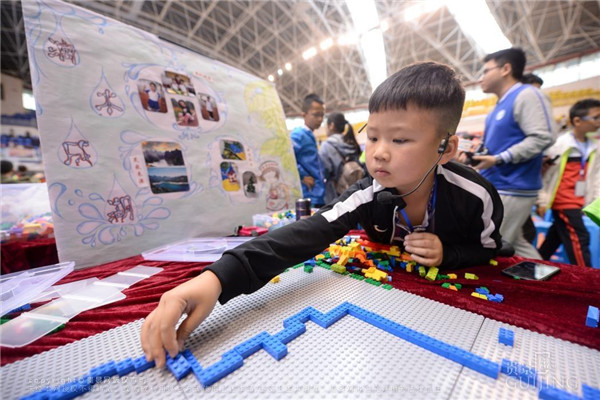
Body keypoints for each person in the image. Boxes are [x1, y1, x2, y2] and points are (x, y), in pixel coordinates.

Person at [140, 62, 503, 368]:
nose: (378, 154)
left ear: (446, 148)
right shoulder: (366, 194)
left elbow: (491, 249)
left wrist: (449, 253)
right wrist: (217, 279)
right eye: (372, 137)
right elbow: (306, 233)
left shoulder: (476, 196)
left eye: (400, 140)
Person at [471, 48, 555, 259]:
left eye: (485, 71)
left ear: (505, 69)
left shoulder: (527, 95)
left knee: (495, 245)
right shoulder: (499, 106)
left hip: (513, 186)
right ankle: (547, 280)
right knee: (516, 243)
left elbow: (543, 137)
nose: (481, 78)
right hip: (500, 183)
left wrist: (500, 158)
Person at [536, 99, 600, 267]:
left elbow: (595, 177)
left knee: (555, 236)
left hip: (579, 200)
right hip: (563, 201)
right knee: (580, 238)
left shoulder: (595, 146)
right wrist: (542, 200)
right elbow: (546, 175)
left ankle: (535, 266)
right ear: (577, 121)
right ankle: (587, 279)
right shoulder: (559, 145)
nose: (598, 122)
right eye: (596, 117)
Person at [318, 112, 363, 203]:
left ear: (332, 125)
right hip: (355, 192)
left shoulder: (326, 146)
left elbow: (323, 172)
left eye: (326, 125)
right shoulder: (351, 141)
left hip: (335, 194)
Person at [291, 94, 326, 207]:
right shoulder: (298, 135)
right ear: (304, 115)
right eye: (316, 115)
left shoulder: (310, 135)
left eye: (322, 115)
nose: (320, 119)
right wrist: (302, 176)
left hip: (318, 193)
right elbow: (288, 158)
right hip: (309, 194)